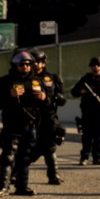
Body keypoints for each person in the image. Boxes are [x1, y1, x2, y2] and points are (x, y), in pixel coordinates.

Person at [0, 51, 47, 197]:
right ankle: (3, 186)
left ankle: (22, 187)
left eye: (29, 64)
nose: (26, 67)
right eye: (22, 64)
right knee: (7, 156)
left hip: (30, 124)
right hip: (12, 124)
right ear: (15, 65)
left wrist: (44, 97)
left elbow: (48, 102)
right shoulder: (5, 81)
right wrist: (10, 95)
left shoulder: (37, 81)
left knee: (25, 157)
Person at [70, 57, 100, 166]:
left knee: (98, 137)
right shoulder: (85, 79)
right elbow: (73, 91)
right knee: (86, 136)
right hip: (88, 111)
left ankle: (97, 158)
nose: (95, 67)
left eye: (97, 65)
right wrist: (81, 91)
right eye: (93, 65)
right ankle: (84, 158)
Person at [28, 48, 67, 183]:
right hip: (30, 116)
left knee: (50, 146)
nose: (35, 64)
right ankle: (15, 173)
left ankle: (53, 175)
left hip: (48, 116)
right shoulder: (24, 78)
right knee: (30, 148)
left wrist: (55, 97)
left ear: (43, 63)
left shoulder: (52, 78)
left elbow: (62, 99)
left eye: (38, 61)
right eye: (33, 61)